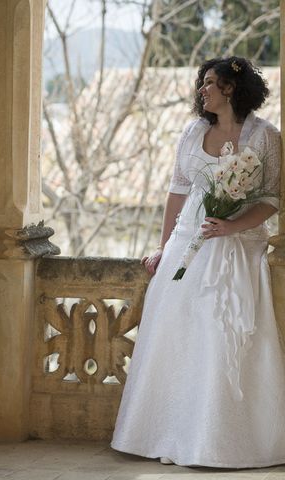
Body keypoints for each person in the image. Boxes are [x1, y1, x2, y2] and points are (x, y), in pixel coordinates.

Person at [111, 56, 285, 468]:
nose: (202, 90)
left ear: (231, 89)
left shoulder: (266, 136)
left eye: (210, 82)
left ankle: (219, 441)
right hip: (187, 243)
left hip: (236, 247)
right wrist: (163, 245)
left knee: (218, 333)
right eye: (202, 83)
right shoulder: (192, 131)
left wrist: (232, 226)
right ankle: (167, 434)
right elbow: (177, 191)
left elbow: (271, 199)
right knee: (174, 334)